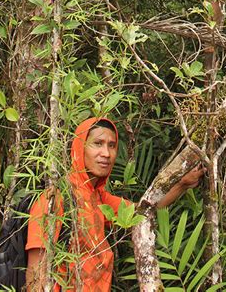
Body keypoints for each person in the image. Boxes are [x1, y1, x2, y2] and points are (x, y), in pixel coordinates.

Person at [25, 117, 204, 291]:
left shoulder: (99, 198)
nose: (106, 153)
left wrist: (182, 184)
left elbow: (144, 212)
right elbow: (36, 275)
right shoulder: (55, 198)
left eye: (112, 145)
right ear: (80, 147)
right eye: (98, 143)